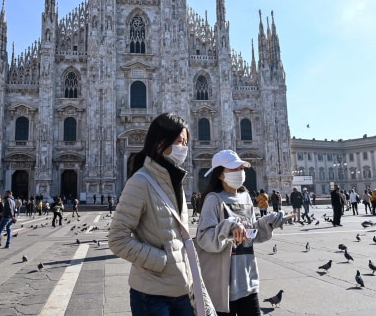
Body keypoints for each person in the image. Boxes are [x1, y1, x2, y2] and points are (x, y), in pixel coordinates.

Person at [108, 113, 194, 316]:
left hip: (181, 290)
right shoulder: (140, 181)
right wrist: (160, 260)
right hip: (152, 295)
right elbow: (117, 239)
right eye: (179, 141)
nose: (184, 148)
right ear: (160, 142)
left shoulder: (175, 182)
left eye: (186, 142)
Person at [195, 150, 292, 315]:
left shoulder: (245, 197)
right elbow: (204, 238)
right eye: (233, 169)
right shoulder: (214, 199)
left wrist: (269, 222)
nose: (240, 172)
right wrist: (229, 227)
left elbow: (250, 233)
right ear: (220, 174)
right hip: (224, 285)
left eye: (241, 168)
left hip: (247, 279)